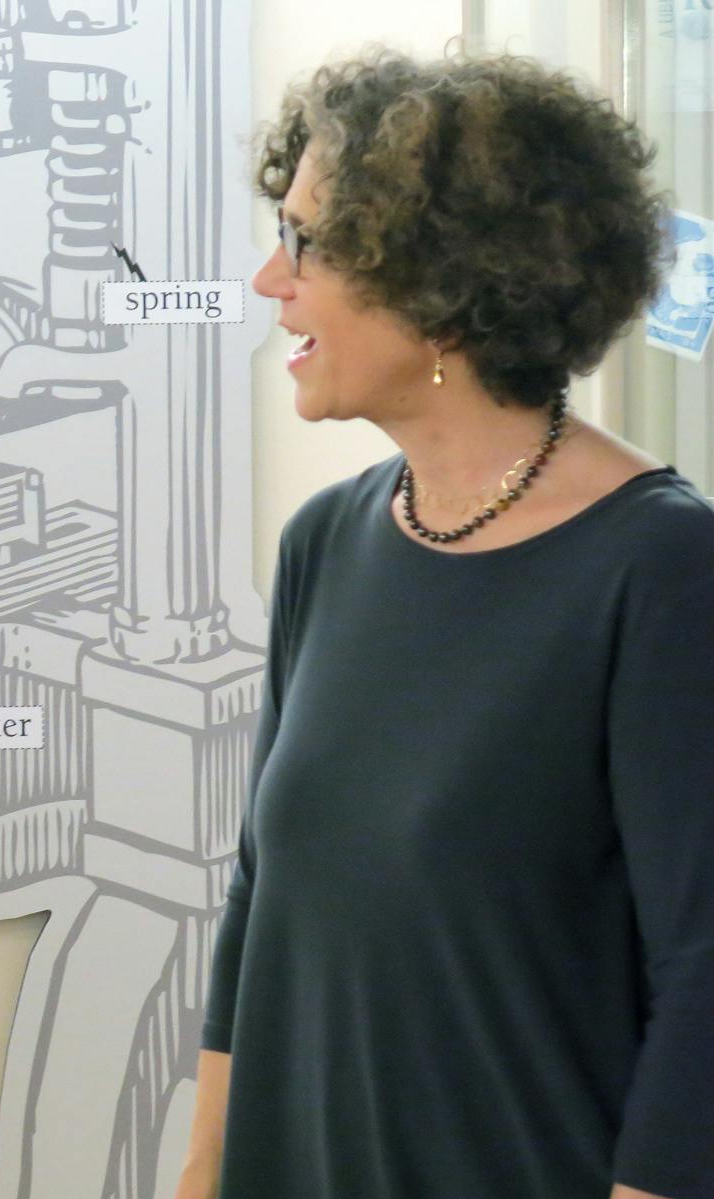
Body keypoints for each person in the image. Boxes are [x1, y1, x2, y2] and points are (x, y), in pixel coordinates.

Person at [174, 51, 714, 1199]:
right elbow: (260, 892)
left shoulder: (662, 567)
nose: (275, 278)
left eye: (309, 243)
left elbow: (708, 968)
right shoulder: (325, 542)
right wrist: (204, 1165)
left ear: (442, 286)